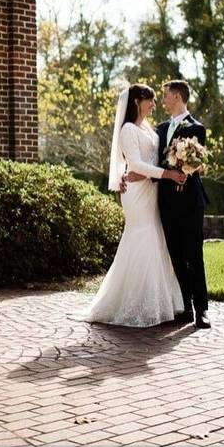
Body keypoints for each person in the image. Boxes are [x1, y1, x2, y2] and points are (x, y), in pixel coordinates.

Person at [76, 84, 188, 327]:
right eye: (151, 100)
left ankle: (159, 301)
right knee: (142, 236)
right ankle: (132, 303)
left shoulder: (147, 128)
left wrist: (159, 171)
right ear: (137, 101)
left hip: (150, 189)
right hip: (136, 193)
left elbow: (151, 160)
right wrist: (163, 175)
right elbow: (135, 163)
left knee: (155, 237)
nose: (154, 105)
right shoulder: (127, 129)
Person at [129, 80, 211, 328]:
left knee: (194, 255)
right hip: (165, 202)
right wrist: (131, 175)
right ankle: (185, 306)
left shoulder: (197, 129)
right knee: (175, 255)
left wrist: (187, 165)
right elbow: (152, 162)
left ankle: (202, 309)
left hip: (190, 201)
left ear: (177, 96)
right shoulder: (160, 130)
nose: (162, 100)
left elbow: (197, 164)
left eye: (165, 96)